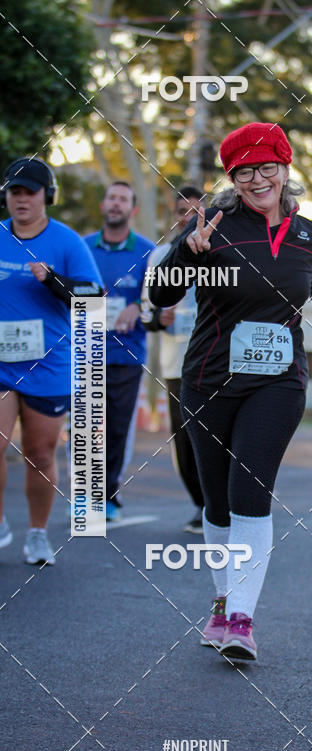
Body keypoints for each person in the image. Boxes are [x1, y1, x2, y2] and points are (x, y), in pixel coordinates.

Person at [149, 122, 312, 662]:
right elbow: (160, 295)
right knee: (216, 501)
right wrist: (187, 254)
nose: (258, 179)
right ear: (232, 178)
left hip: (278, 382)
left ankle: (240, 619)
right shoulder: (212, 224)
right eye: (244, 171)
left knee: (249, 492)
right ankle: (222, 601)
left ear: (284, 168)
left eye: (267, 167)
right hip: (209, 380)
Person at [0, 157, 103, 563]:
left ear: (48, 196)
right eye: (15, 191)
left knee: (40, 454)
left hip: (48, 364)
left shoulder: (67, 242)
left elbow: (95, 295)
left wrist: (54, 280)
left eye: (30, 192)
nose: (21, 199)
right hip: (2, 363)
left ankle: (37, 533)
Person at [84, 182, 154, 521]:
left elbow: (160, 299)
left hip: (127, 355)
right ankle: (85, 495)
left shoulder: (147, 252)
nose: (116, 204)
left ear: (133, 210)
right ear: (103, 205)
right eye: (111, 197)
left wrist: (138, 307)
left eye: (123, 199)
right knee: (85, 429)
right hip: (84, 352)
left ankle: (109, 496)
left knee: (116, 429)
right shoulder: (82, 248)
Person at [142, 185, 205, 533]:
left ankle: (221, 504)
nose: (188, 217)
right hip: (176, 363)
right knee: (184, 439)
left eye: (196, 211)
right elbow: (145, 309)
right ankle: (201, 504)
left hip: (216, 360)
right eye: (183, 211)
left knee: (217, 435)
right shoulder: (160, 256)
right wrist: (157, 317)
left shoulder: (221, 251)